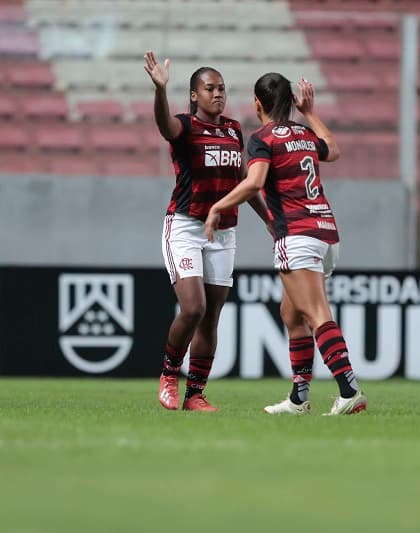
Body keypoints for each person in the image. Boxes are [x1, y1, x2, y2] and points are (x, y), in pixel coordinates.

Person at [204, 73, 366, 416]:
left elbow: (255, 182)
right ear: (292, 102)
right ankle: (298, 398)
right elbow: (333, 149)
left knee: (315, 313)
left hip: (298, 235)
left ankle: (349, 389)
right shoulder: (305, 134)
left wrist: (219, 206)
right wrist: (309, 112)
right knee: (291, 314)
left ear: (257, 103)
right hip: (325, 233)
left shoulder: (262, 138)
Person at [144, 51, 270, 412]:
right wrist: (159, 91)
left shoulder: (232, 129)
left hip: (224, 231)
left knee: (211, 315)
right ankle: (169, 374)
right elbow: (164, 125)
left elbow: (245, 180)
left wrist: (267, 218)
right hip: (185, 226)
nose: (218, 94)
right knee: (194, 307)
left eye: (222, 88)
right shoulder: (185, 127)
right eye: (209, 88)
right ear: (194, 96)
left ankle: (195, 394)